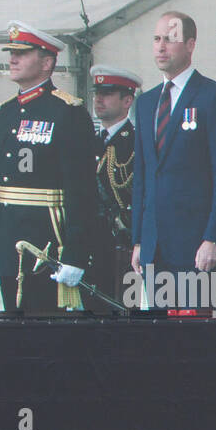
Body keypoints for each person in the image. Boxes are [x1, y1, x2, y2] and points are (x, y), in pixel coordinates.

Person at [130, 10, 216, 310]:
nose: (161, 46)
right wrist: (139, 240)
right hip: (155, 246)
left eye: (170, 39)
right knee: (158, 339)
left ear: (191, 44)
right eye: (156, 39)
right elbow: (142, 176)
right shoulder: (145, 103)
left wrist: (215, 237)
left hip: (197, 245)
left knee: (197, 339)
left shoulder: (214, 97)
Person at [0, 21, 95, 313]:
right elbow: (0, 190)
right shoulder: (6, 113)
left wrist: (75, 255)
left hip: (48, 246)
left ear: (47, 62)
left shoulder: (67, 113)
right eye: (12, 53)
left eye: (22, 53)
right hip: (9, 246)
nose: (12, 59)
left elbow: (82, 192)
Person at [87, 65, 140, 305]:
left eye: (107, 94)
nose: (98, 99)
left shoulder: (136, 144)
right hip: (90, 244)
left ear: (127, 100)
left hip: (122, 245)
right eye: (97, 93)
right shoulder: (90, 142)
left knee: (123, 310)